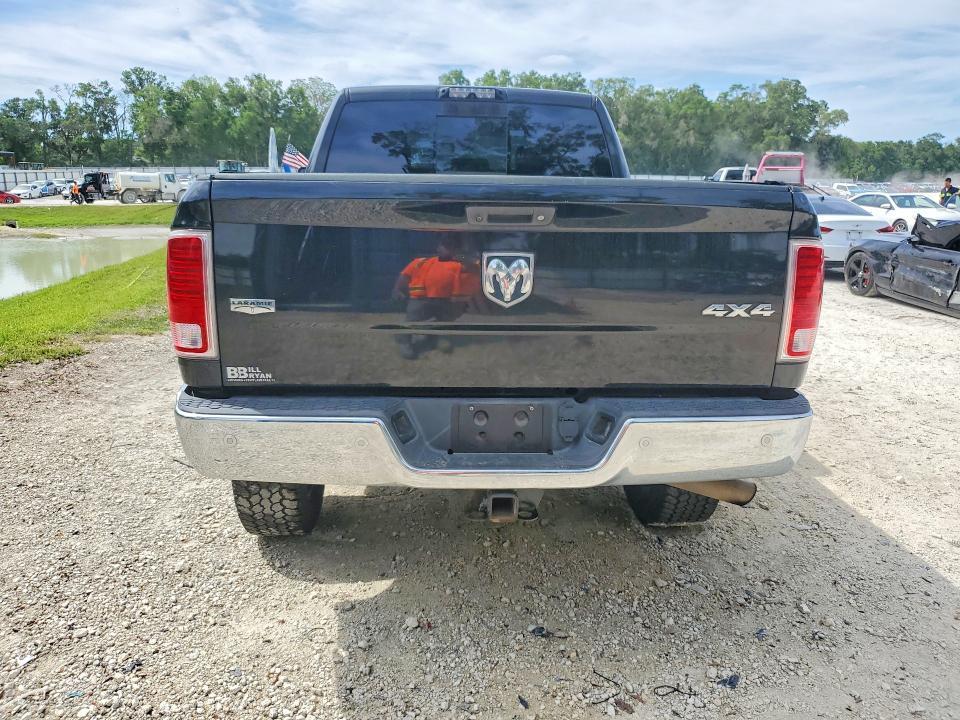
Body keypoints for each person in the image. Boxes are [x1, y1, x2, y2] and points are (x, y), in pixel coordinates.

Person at [392, 239, 466, 359]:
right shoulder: (422, 262)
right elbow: (405, 275)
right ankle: (404, 341)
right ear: (438, 248)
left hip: (445, 300)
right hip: (421, 299)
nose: (447, 250)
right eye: (445, 246)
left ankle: (437, 337)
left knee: (445, 320)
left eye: (451, 247)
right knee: (413, 320)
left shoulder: (458, 265)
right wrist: (398, 289)